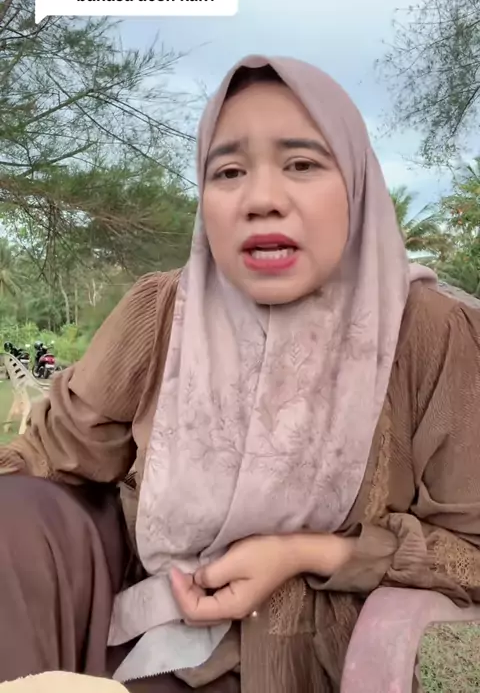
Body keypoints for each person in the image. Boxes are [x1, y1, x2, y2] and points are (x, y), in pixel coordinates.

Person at [1, 55, 480, 693]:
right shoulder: (164, 313)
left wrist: (308, 553)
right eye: (228, 172)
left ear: (358, 183)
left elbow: (472, 550)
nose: (261, 200)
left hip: (302, 665)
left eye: (302, 164)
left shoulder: (429, 331)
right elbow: (52, 455)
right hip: (138, 638)